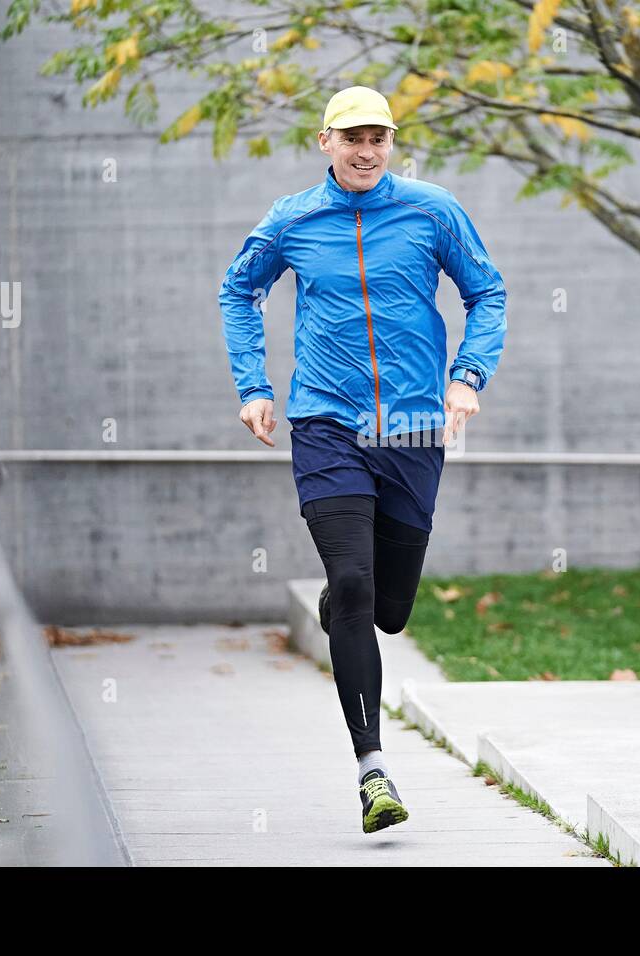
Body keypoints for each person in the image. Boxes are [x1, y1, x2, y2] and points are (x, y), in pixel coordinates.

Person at [218, 86, 507, 833]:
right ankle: (372, 769)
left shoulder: (431, 209)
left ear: (393, 142)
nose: (366, 151)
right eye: (352, 139)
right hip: (325, 421)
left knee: (391, 609)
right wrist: (254, 386)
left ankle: (349, 602)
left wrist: (467, 376)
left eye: (378, 138)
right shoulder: (293, 219)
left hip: (413, 429)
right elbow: (237, 290)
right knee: (351, 583)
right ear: (325, 143)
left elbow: (488, 292)